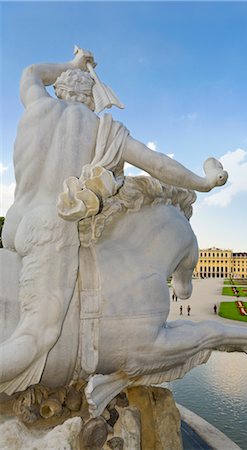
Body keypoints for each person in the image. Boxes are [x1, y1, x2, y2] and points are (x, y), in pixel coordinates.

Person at [0, 47, 228, 394]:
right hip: (51, 229)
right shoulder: (101, 129)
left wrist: (71, 63)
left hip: (16, 225)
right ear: (92, 98)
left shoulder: (37, 106)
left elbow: (30, 72)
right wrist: (203, 183)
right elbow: (159, 166)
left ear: (60, 89)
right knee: (38, 335)